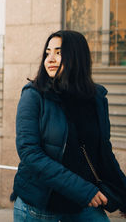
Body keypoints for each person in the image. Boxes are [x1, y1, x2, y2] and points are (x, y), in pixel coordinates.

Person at [11, 30, 126, 221]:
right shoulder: (34, 95)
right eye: (48, 53)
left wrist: (123, 195)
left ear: (77, 56)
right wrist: (83, 190)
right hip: (41, 206)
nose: (50, 59)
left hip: (83, 204)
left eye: (58, 52)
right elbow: (29, 152)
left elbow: (103, 153)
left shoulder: (95, 98)